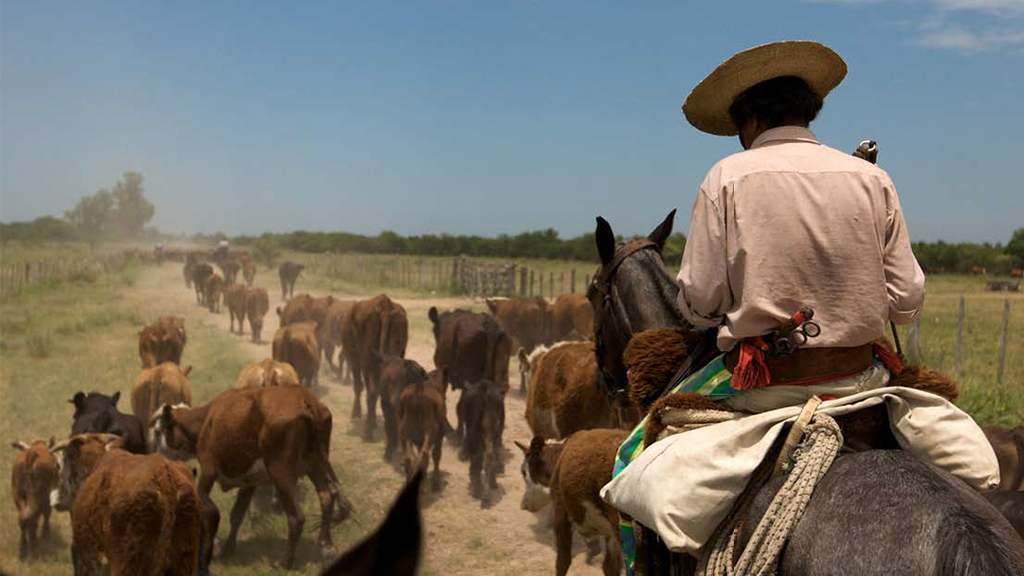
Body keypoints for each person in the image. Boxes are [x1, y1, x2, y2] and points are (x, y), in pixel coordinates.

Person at [604, 41, 996, 574]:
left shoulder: (727, 178)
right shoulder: (872, 178)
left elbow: (698, 305)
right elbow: (907, 302)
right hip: (865, 383)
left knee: (636, 454)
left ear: (752, 118)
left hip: (766, 387)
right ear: (807, 111)